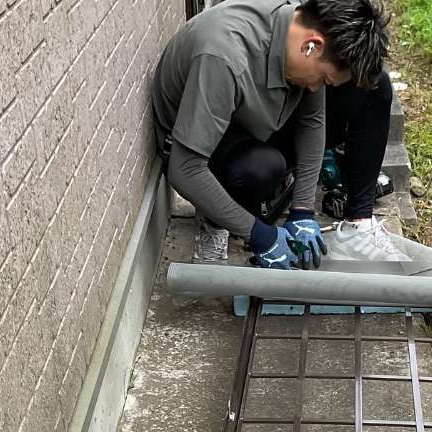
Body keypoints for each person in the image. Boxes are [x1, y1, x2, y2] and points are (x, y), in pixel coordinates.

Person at [151, 0, 399, 270]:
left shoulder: (303, 34)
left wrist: (303, 210)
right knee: (260, 169)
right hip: (202, 149)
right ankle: (214, 221)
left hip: (256, 120)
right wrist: (260, 235)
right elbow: (185, 168)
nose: (318, 89)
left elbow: (312, 121)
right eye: (324, 80)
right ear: (311, 45)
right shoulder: (223, 56)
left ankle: (358, 226)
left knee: (375, 87)